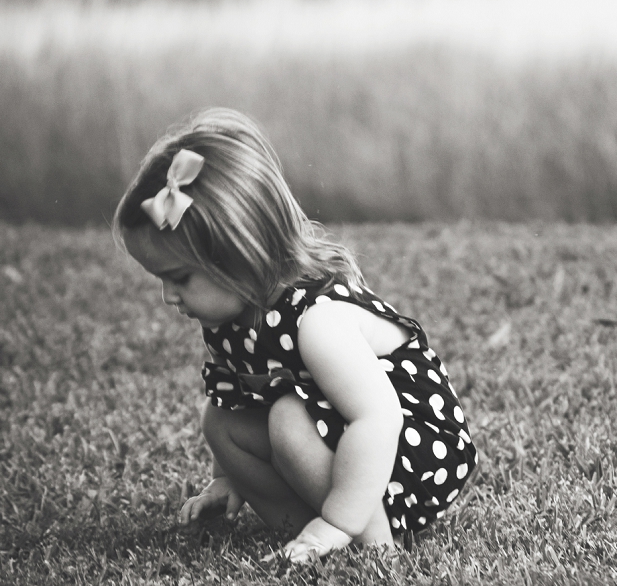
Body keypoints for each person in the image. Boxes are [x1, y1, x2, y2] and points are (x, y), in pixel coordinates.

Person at [112, 108, 477, 562]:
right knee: (219, 418)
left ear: (239, 256)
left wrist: (339, 520)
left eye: (180, 278)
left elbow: (379, 419)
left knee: (287, 417)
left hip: (412, 445)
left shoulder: (318, 322)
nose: (169, 297)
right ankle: (304, 533)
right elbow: (237, 396)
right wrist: (226, 479)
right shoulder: (226, 322)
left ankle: (370, 539)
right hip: (338, 431)